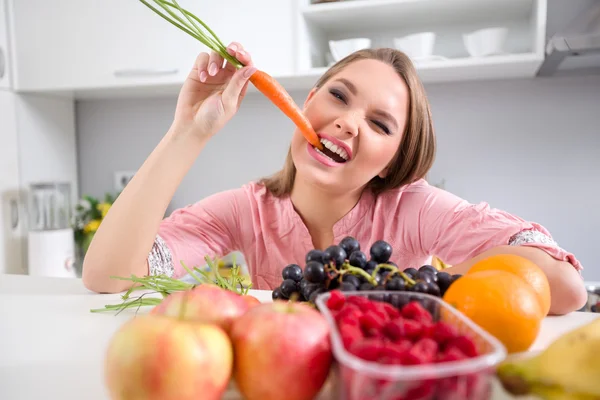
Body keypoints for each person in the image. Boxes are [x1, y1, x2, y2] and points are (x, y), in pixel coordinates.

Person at [82, 42, 587, 315]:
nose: (349, 122)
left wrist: (430, 282)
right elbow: (108, 278)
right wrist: (186, 133)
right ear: (308, 104)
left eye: (380, 123)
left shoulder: (413, 209)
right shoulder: (246, 209)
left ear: (391, 161)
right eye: (340, 97)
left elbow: (566, 288)